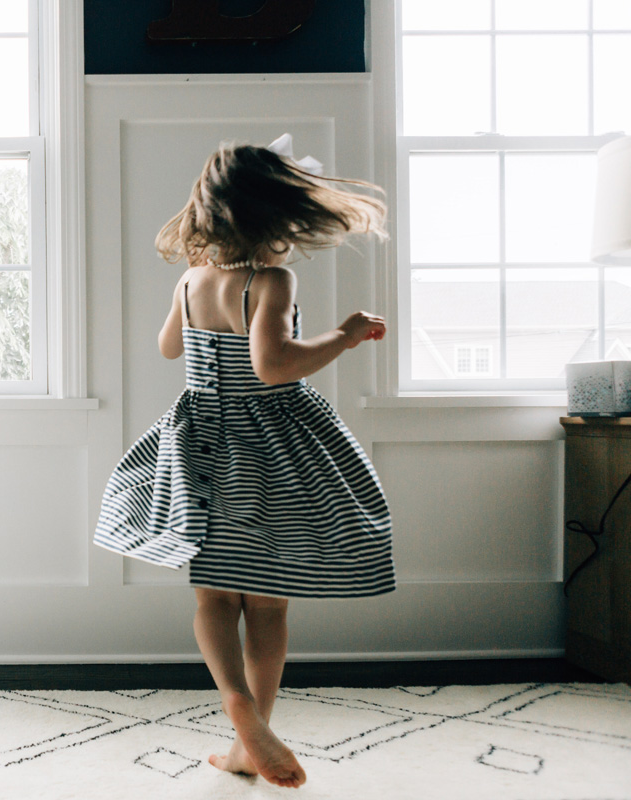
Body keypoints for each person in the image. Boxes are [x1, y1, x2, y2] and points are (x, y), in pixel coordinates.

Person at [93, 135, 396, 789]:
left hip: (202, 446)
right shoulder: (271, 279)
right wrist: (344, 335)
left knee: (211, 595)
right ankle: (250, 720)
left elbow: (170, 349)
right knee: (267, 605)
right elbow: (273, 366)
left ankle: (233, 710)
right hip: (267, 455)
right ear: (277, 215)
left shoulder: (192, 277)